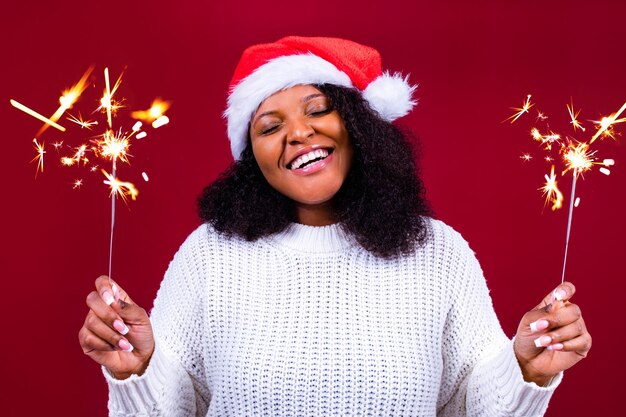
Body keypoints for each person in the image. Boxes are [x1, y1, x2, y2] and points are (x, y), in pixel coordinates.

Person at [79, 36, 591, 416]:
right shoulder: (209, 254)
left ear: (359, 124)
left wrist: (527, 370)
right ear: (251, 156)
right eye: (269, 126)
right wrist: (137, 371)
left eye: (318, 109)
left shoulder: (440, 253)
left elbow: (471, 400)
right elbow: (175, 405)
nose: (298, 133)